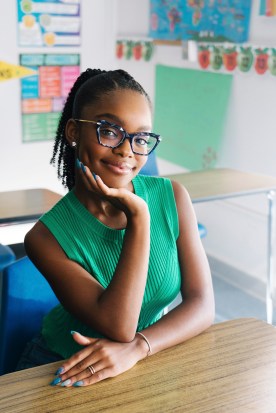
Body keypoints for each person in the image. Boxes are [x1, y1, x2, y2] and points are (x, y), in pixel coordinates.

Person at [19, 68, 215, 387]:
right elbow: (119, 326)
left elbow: (203, 305)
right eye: (109, 131)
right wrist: (138, 219)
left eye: (140, 138)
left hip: (144, 358)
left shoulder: (173, 196)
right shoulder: (44, 238)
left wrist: (139, 347)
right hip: (66, 368)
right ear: (73, 132)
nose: (127, 150)